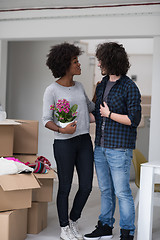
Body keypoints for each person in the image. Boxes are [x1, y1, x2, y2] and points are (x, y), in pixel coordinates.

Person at [84, 42, 141, 240]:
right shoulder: (101, 86)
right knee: (106, 190)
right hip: (100, 146)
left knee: (122, 192)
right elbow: (97, 115)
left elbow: (134, 120)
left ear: (111, 60)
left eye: (101, 59)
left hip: (119, 149)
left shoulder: (129, 87)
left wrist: (110, 114)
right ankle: (105, 226)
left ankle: (127, 232)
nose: (98, 63)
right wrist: (73, 117)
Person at [42, 42, 95, 240]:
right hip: (64, 143)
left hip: (83, 141)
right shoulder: (52, 90)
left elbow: (90, 107)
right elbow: (46, 120)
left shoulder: (80, 86)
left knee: (87, 186)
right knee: (65, 186)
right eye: (75, 61)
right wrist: (62, 130)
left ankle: (73, 220)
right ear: (65, 65)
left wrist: (100, 92)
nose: (79, 64)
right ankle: (64, 227)